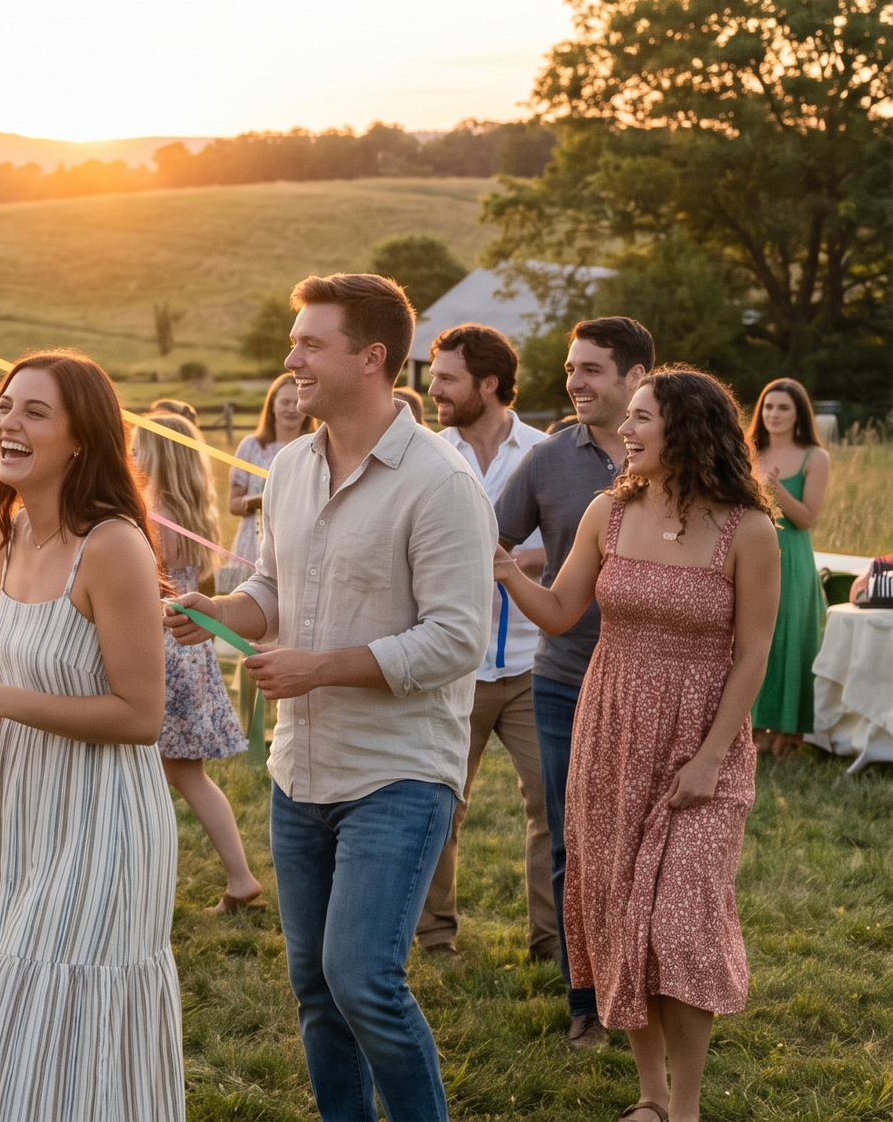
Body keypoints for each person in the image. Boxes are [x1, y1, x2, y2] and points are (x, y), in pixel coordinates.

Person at [168, 274, 491, 1122]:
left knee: (363, 980)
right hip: (299, 770)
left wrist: (319, 667)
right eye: (294, 342)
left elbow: (458, 638)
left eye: (311, 344)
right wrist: (221, 610)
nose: (292, 360)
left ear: (372, 356)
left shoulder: (440, 480)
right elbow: (274, 589)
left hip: (397, 771)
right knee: (315, 985)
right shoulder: (290, 468)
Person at [494, 367, 780, 1122]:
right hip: (612, 730)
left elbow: (753, 652)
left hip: (702, 739)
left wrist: (711, 756)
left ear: (687, 428)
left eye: (642, 417)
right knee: (622, 915)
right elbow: (560, 610)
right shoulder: (608, 512)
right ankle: (650, 1095)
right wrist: (505, 571)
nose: (624, 429)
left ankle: (685, 1107)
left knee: (680, 920)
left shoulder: (749, 530)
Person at [0, 350, 180, 1119]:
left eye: (34, 411)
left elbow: (141, 714)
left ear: (81, 437)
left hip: (103, 821)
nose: (8, 423)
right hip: (26, 813)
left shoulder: (114, 545)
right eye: (4, 406)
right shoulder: (15, 530)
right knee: (10, 1016)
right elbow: (23, 668)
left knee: (54, 1021)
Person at [495, 314, 652, 1050]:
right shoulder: (548, 460)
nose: (574, 382)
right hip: (562, 681)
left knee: (647, 845)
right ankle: (584, 1000)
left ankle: (645, 987)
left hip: (653, 687)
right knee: (573, 845)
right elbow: (486, 540)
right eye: (569, 368)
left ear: (635, 376)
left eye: (591, 368)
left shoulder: (677, 459)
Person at [416, 322, 558, 965]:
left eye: (447, 379)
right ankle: (434, 937)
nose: (433, 390)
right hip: (452, 666)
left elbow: (580, 541)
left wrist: (518, 560)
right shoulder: (425, 456)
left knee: (552, 806)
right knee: (437, 804)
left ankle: (551, 945)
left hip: (534, 661)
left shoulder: (548, 454)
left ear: (489, 383)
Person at [133, 411, 261, 913]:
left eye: (139, 448)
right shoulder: (189, 513)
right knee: (183, 775)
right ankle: (238, 879)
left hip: (161, 648)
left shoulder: (156, 517)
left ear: (158, 456)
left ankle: (235, 878)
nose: (131, 456)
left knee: (173, 776)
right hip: (189, 649)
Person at [748, 377, 830, 758]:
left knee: (792, 639)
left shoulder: (815, 457)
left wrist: (775, 488)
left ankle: (790, 732)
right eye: (768, 406)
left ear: (799, 415)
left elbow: (807, 518)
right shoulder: (748, 452)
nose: (774, 414)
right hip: (753, 554)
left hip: (793, 557)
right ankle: (753, 726)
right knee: (752, 639)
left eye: (783, 407)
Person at [225, 372, 309, 589]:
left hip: (299, 546)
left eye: (297, 402)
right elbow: (233, 504)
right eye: (285, 402)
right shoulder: (251, 446)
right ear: (272, 405)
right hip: (253, 546)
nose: (291, 409)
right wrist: (264, 500)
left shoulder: (315, 447)